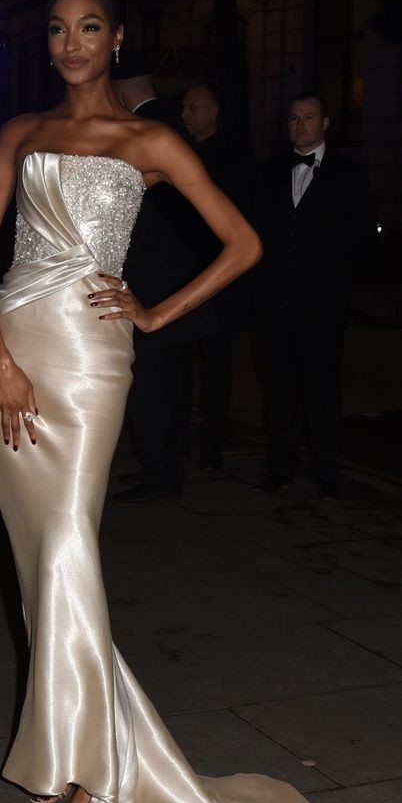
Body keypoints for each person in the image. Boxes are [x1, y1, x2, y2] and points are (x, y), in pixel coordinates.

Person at [0, 0, 322, 803]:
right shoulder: (20, 132)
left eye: (89, 27)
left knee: (69, 543)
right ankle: (65, 742)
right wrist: (0, 360)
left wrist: (155, 313)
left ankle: (94, 767)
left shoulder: (150, 141)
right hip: (9, 349)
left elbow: (243, 242)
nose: (73, 42)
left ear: (116, 38)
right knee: (36, 559)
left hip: (89, 357)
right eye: (59, 29)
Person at [252, 93, 375, 499]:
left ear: (325, 123)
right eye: (293, 118)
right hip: (276, 303)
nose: (300, 124)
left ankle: (326, 471)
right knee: (278, 387)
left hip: (323, 304)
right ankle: (279, 466)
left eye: (308, 117)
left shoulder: (349, 174)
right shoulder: (270, 171)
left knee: (322, 388)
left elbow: (362, 236)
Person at [114, 52, 220, 502]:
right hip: (181, 279)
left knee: (152, 387)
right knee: (174, 384)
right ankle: (166, 466)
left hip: (152, 281)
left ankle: (160, 474)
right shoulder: (175, 128)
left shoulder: (143, 132)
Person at [179, 80, 256, 472]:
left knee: (216, 365)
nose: (185, 115)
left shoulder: (234, 159)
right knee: (182, 363)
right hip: (183, 273)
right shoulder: (180, 152)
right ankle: (180, 442)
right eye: (184, 108)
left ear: (213, 113)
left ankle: (212, 446)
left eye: (193, 108)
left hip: (219, 279)